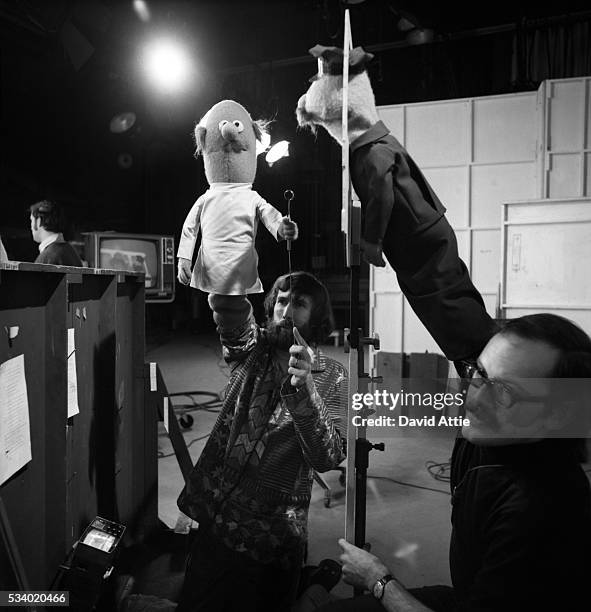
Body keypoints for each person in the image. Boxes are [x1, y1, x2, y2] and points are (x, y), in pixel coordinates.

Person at [317, 313, 591, 612]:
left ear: (559, 414)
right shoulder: (503, 438)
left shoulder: (539, 511)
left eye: (504, 391)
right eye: (480, 373)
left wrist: (377, 579)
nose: (472, 399)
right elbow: (450, 309)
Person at [296, 46, 496, 363]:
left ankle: (484, 356)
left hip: (419, 240)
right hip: (427, 234)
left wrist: (372, 242)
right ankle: (486, 351)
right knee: (452, 293)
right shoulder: (377, 141)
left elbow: (381, 193)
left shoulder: (372, 151)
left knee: (442, 301)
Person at [176, 271, 348, 612]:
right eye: (281, 300)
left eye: (299, 303)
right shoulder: (254, 350)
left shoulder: (334, 376)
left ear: (317, 317)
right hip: (217, 517)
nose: (286, 310)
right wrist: (230, 250)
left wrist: (306, 391)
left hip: (273, 536)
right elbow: (229, 312)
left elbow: (327, 457)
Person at [29, 199, 83, 266]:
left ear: (38, 221)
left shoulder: (46, 258)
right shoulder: (71, 250)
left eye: (31, 220)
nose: (31, 227)